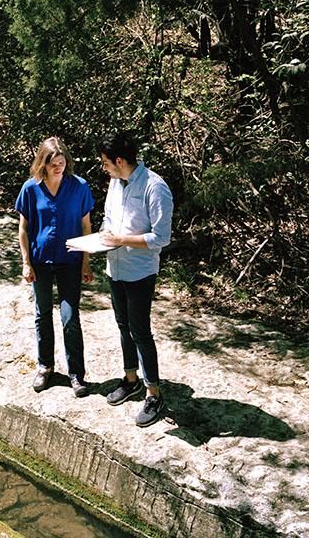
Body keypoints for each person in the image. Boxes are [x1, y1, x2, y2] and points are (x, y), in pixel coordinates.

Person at [98, 131, 173, 427]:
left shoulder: (155, 187)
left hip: (140, 272)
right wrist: (103, 237)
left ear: (119, 160)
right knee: (122, 326)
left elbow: (161, 237)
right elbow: (108, 219)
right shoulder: (115, 183)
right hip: (114, 268)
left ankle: (154, 394)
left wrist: (122, 240)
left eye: (105, 162)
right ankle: (131, 380)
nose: (104, 168)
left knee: (140, 331)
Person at [16, 136, 95, 397]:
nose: (58, 167)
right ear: (43, 163)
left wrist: (86, 261)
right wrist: (26, 263)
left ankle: (76, 375)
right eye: (53, 164)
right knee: (42, 314)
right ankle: (45, 367)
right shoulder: (30, 188)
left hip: (70, 261)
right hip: (40, 261)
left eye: (62, 162)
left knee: (70, 317)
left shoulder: (79, 186)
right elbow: (24, 228)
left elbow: (86, 226)